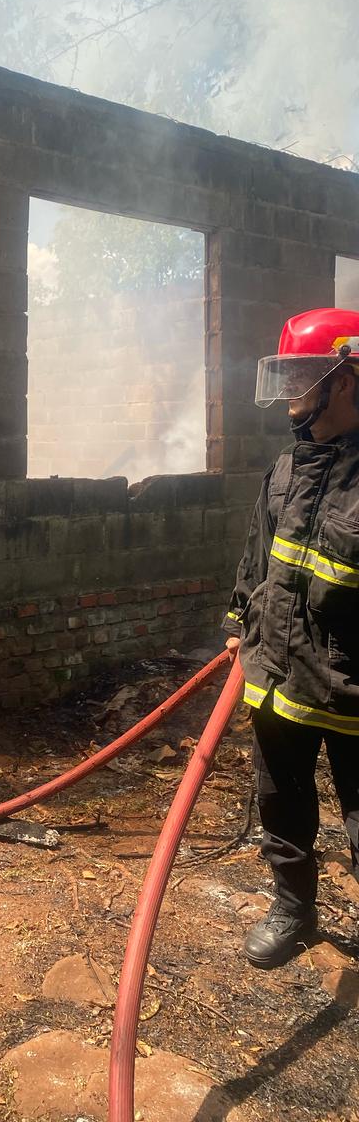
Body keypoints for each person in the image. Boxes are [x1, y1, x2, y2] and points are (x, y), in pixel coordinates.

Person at [223, 307, 359, 968]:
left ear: (348, 379)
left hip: (351, 690)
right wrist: (237, 625)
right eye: (287, 379)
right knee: (282, 800)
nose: (290, 398)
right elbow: (255, 558)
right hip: (277, 677)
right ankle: (293, 908)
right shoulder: (285, 469)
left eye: (304, 379)